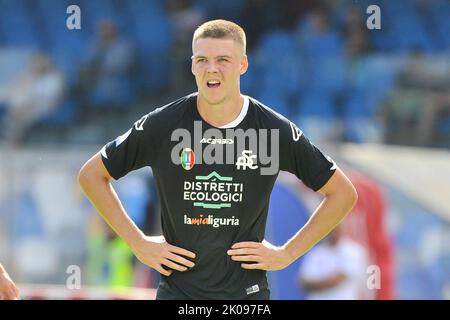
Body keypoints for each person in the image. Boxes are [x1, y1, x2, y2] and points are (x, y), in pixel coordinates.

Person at [78, 19, 358, 300]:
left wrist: (287, 252)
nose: (211, 68)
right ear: (192, 66)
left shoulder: (272, 130)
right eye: (202, 60)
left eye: (223, 59)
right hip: (178, 295)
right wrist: (137, 243)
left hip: (246, 297)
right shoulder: (163, 124)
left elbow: (342, 194)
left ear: (243, 65)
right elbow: (91, 175)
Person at [298, 224, 369, 300]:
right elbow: (303, 283)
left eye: (335, 227)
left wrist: (314, 285)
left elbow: (338, 280)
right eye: (329, 228)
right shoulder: (315, 252)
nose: (332, 231)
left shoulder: (353, 251)